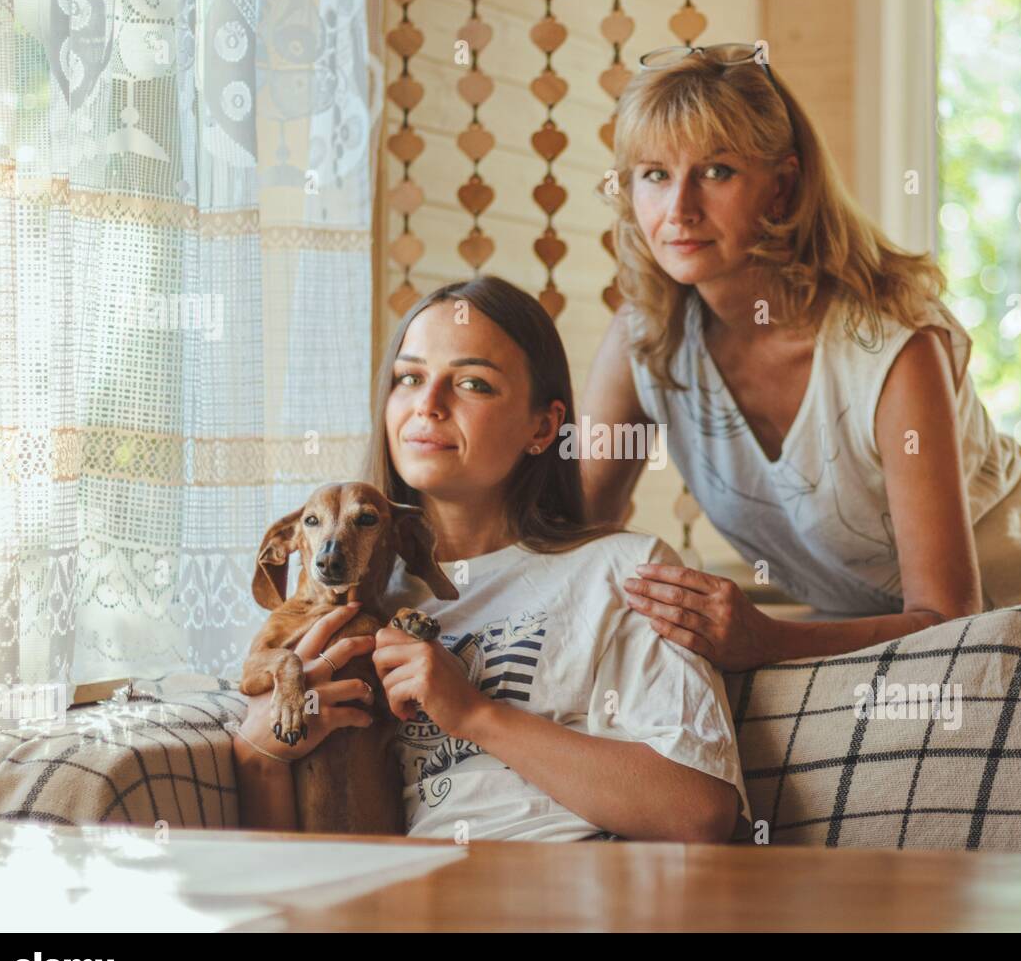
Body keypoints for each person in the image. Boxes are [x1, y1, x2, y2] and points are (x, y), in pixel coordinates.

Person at [580, 42, 1021, 674]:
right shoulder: (644, 339)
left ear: (783, 185)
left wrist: (766, 640)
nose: (680, 208)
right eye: (655, 174)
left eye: (717, 171)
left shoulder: (890, 348)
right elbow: (572, 533)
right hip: (907, 636)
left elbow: (946, 620)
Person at [234, 275, 752, 843]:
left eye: (473, 383)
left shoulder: (623, 570)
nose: (427, 405)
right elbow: (291, 865)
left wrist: (475, 714)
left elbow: (699, 812)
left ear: (543, 426)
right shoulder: (357, 606)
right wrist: (258, 754)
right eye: (409, 378)